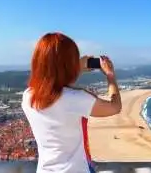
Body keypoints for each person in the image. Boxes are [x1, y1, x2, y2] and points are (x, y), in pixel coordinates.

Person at [21, 32, 122, 173]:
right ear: (68, 65)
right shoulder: (76, 99)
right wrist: (110, 76)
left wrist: (74, 68)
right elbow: (115, 107)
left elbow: (53, 83)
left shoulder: (28, 97)